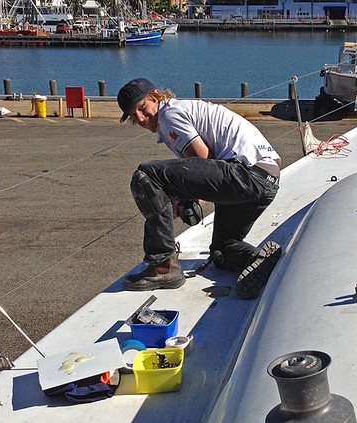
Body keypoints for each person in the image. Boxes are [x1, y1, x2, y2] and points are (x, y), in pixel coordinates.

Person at [117, 78, 282, 299]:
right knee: (222, 250)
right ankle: (257, 261)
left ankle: (162, 266)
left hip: (245, 173)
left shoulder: (169, 115)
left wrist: (179, 198)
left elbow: (202, 159)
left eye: (141, 107)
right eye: (132, 116)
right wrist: (186, 196)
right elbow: (202, 170)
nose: (139, 118)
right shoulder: (180, 111)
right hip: (266, 179)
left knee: (146, 175)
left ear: (156, 97)